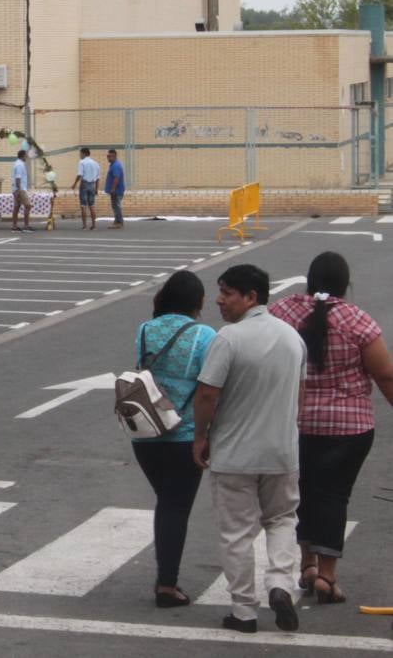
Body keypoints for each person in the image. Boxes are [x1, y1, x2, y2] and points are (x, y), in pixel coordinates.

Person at [268, 251, 393, 605]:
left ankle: (305, 566)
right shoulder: (357, 320)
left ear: (310, 280)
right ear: (344, 284)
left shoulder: (283, 312)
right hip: (349, 429)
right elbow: (384, 373)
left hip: (295, 424)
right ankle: (326, 575)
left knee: (301, 493)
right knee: (335, 495)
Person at [193, 264, 305, 634]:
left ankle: (243, 611)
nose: (219, 300)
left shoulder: (229, 338)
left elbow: (208, 393)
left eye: (227, 293)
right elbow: (299, 397)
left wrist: (200, 436)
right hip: (282, 452)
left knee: (236, 532)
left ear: (251, 297)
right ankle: (280, 584)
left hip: (235, 454)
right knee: (283, 519)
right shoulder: (293, 338)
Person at [130, 270, 216, 608]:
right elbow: (210, 388)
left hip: (146, 431)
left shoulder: (145, 330)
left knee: (166, 501)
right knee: (175, 507)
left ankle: (165, 576)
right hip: (184, 433)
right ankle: (167, 584)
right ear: (198, 302)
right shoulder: (205, 335)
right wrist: (206, 434)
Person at [68, 147, 100, 230]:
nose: (80, 155)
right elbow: (97, 178)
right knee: (92, 205)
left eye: (80, 153)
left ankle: (84, 225)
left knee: (83, 205)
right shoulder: (96, 163)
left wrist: (74, 184)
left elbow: (79, 174)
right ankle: (93, 225)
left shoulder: (82, 162)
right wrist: (96, 188)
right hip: (92, 184)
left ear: (84, 153)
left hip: (84, 184)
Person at [10, 148, 34, 233]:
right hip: (20, 189)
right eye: (25, 155)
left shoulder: (17, 163)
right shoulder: (20, 165)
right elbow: (18, 178)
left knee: (16, 207)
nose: (26, 157)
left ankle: (14, 226)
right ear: (23, 155)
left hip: (16, 189)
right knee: (28, 206)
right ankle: (26, 226)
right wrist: (19, 190)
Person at [104, 149, 126, 229]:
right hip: (115, 190)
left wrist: (113, 189)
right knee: (115, 206)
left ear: (114, 156)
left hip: (117, 190)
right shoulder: (113, 165)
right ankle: (117, 221)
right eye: (107, 156)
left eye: (109, 156)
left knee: (116, 206)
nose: (108, 158)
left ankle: (119, 222)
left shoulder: (116, 165)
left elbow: (116, 178)